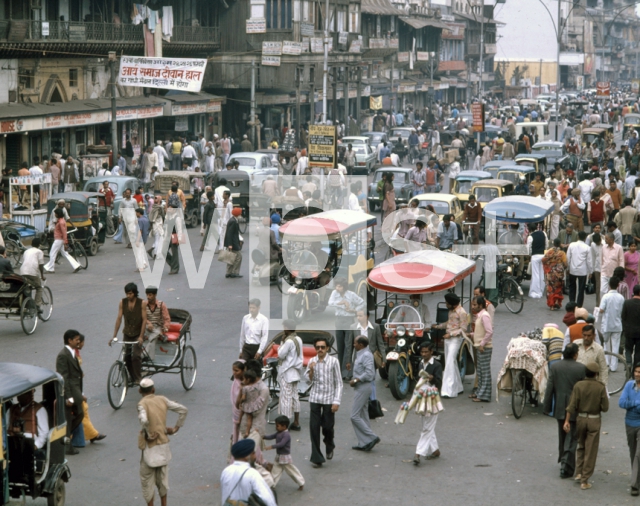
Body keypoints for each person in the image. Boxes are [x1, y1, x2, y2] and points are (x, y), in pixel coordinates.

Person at [137, 378, 188, 506]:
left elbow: (143, 420)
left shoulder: (142, 404)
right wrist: (176, 428)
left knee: (147, 481)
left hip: (150, 447)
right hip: (163, 446)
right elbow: (183, 410)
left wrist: (148, 434)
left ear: (139, 391)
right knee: (163, 480)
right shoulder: (163, 399)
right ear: (153, 389)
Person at [564, 362, 609, 490]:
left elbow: (571, 405)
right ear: (596, 374)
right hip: (594, 420)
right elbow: (605, 408)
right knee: (591, 451)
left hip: (580, 419)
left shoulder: (578, 385)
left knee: (581, 446)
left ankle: (578, 472)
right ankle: (585, 479)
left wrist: (566, 421)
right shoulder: (600, 387)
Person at [543, 343, 586, 478]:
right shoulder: (581, 368)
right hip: (575, 408)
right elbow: (584, 391)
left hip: (560, 407)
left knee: (562, 436)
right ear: (575, 354)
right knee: (572, 437)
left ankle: (563, 460)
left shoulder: (555, 367)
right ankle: (566, 466)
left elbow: (549, 388)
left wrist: (547, 407)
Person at [305, 336, 342, 468]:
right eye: (317, 347)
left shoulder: (333, 362)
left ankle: (329, 443)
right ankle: (316, 456)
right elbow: (308, 381)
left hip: (329, 399)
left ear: (327, 348)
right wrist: (311, 370)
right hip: (315, 398)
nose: (320, 349)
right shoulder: (312, 361)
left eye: (322, 347)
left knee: (327, 426)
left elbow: (339, 383)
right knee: (314, 428)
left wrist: (336, 401)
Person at [109, 282, 147, 385]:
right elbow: (119, 319)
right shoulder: (122, 302)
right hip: (127, 333)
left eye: (130, 293)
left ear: (134, 293)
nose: (128, 296)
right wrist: (114, 336)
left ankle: (139, 378)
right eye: (127, 293)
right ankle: (132, 376)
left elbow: (144, 320)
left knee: (135, 356)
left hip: (138, 334)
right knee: (126, 357)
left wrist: (141, 336)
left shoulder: (142, 303)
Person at [412, 341, 443, 466]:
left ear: (431, 352)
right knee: (427, 424)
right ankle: (435, 450)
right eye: (422, 352)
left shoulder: (437, 365)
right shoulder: (420, 364)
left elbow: (439, 383)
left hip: (431, 398)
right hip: (421, 397)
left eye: (426, 352)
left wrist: (432, 378)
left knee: (427, 427)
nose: (424, 354)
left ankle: (418, 453)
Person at [431, 292, 467, 398]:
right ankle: (459, 387)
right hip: (448, 339)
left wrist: (450, 334)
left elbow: (463, 329)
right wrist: (438, 326)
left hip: (455, 340)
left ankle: (448, 391)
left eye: (447, 303)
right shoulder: (451, 311)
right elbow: (449, 323)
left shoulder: (462, 312)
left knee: (449, 364)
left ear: (452, 304)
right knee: (452, 362)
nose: (446, 305)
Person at [220, 439, 277, 506]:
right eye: (253, 453)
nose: (255, 457)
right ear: (246, 456)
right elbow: (267, 498)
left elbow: (225, 494)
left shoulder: (226, 471)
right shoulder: (252, 474)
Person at [56, 329, 84, 455]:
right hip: (70, 392)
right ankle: (66, 444)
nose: (79, 341)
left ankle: (64, 438)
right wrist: (68, 397)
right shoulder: (63, 355)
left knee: (79, 414)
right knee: (69, 418)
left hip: (76, 390)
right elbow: (64, 377)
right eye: (77, 339)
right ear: (70, 340)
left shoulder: (72, 352)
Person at [328, 278, 364, 377]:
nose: (337, 288)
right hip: (339, 320)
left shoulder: (351, 295)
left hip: (349, 321)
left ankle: (347, 372)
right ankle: (339, 371)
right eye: (337, 286)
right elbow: (330, 303)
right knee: (340, 346)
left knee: (348, 346)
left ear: (344, 287)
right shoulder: (334, 293)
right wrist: (342, 302)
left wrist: (355, 310)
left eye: (339, 286)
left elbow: (362, 302)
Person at [349, 336, 380, 452]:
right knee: (363, 415)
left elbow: (370, 374)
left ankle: (372, 437)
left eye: (355, 343)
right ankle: (364, 442)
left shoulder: (366, 355)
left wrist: (356, 380)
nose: (354, 345)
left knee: (354, 416)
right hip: (360, 387)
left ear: (361, 345)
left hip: (363, 387)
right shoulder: (361, 353)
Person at [263, 415, 305, 491]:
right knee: (275, 470)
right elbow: (271, 436)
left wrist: (271, 447)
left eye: (277, 426)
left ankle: (301, 482)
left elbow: (281, 444)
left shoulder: (286, 435)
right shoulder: (279, 432)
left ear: (284, 426)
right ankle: (272, 484)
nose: (276, 427)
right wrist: (263, 436)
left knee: (291, 471)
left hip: (285, 457)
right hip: (279, 456)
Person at [276, 320, 303, 431]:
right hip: (295, 372)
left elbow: (280, 355)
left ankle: (284, 426)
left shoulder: (288, 341)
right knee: (295, 397)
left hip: (287, 372)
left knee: (286, 399)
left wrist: (281, 344)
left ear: (287, 327)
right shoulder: (298, 339)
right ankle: (296, 422)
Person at [8, 389, 49, 460]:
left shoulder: (39, 409)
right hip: (11, 442)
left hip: (28, 444)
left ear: (30, 395)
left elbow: (44, 433)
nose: (19, 396)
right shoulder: (11, 409)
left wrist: (36, 445)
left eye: (23, 394)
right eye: (19, 394)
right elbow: (4, 427)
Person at [619, 363, 640, 496]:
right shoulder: (629, 385)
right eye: (636, 371)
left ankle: (634, 485)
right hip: (630, 424)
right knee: (633, 453)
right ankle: (637, 477)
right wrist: (636, 404)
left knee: (639, 453)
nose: (637, 374)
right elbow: (621, 403)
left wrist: (631, 406)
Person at [468, 296, 493, 403]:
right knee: (481, 372)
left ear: (481, 305)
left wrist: (482, 344)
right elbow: (481, 331)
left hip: (484, 348)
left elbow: (489, 332)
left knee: (485, 372)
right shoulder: (479, 316)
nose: (473, 307)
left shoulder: (484, 316)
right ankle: (480, 393)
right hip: (480, 346)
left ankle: (484, 395)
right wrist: (472, 335)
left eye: (474, 305)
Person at [599, 276, 625, 372]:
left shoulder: (605, 296)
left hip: (606, 324)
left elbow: (601, 310)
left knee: (604, 343)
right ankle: (614, 367)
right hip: (617, 324)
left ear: (609, 284)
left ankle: (606, 363)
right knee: (615, 345)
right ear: (618, 285)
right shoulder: (621, 297)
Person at [44, 208, 81, 273]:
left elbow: (64, 233)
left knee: (52, 253)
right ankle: (76, 265)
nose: (54, 214)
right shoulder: (61, 220)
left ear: (58, 214)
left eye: (55, 213)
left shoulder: (61, 222)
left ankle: (51, 269)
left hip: (59, 240)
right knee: (65, 254)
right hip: (60, 239)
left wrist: (65, 243)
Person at [18, 237, 45, 313]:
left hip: (23, 271)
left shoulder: (26, 251)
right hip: (32, 272)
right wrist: (42, 275)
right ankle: (37, 305)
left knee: (27, 286)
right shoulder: (39, 252)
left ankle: (26, 303)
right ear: (39, 245)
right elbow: (41, 265)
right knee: (39, 287)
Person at [566, 231, 593, 308]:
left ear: (578, 237)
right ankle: (579, 305)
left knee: (572, 287)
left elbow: (568, 258)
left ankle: (571, 303)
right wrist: (590, 271)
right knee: (581, 289)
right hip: (582, 271)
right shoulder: (587, 247)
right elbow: (589, 261)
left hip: (572, 269)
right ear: (585, 238)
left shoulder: (571, 245)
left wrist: (567, 268)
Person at [541, 238, 567, 311]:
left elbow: (543, 260)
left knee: (551, 289)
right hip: (559, 273)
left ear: (553, 243)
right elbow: (565, 264)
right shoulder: (562, 253)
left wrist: (549, 264)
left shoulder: (549, 252)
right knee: (558, 288)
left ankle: (551, 305)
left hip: (551, 272)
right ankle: (556, 302)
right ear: (560, 244)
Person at [601, 232, 625, 300]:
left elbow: (621, 260)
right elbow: (602, 259)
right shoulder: (603, 247)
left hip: (614, 274)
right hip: (604, 272)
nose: (605, 240)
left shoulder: (619, 248)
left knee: (613, 292)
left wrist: (621, 273)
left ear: (611, 239)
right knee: (602, 291)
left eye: (607, 239)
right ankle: (603, 305)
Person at [527, 223, 548, 299]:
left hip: (535, 256)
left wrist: (530, 255)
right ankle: (541, 290)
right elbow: (546, 244)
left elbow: (529, 248)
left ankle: (535, 292)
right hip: (542, 255)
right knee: (542, 273)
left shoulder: (530, 237)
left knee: (535, 274)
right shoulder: (544, 233)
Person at [623, 285, 640, 368]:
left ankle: (628, 363)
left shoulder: (627, 303)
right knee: (638, 352)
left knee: (628, 349)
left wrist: (624, 328)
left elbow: (623, 316)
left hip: (629, 331)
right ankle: (635, 369)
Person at [224, 207, 243, 278]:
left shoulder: (232, 220)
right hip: (233, 243)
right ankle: (235, 272)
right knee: (238, 257)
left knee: (231, 257)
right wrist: (230, 244)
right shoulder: (233, 221)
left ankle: (228, 272)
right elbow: (230, 233)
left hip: (232, 242)